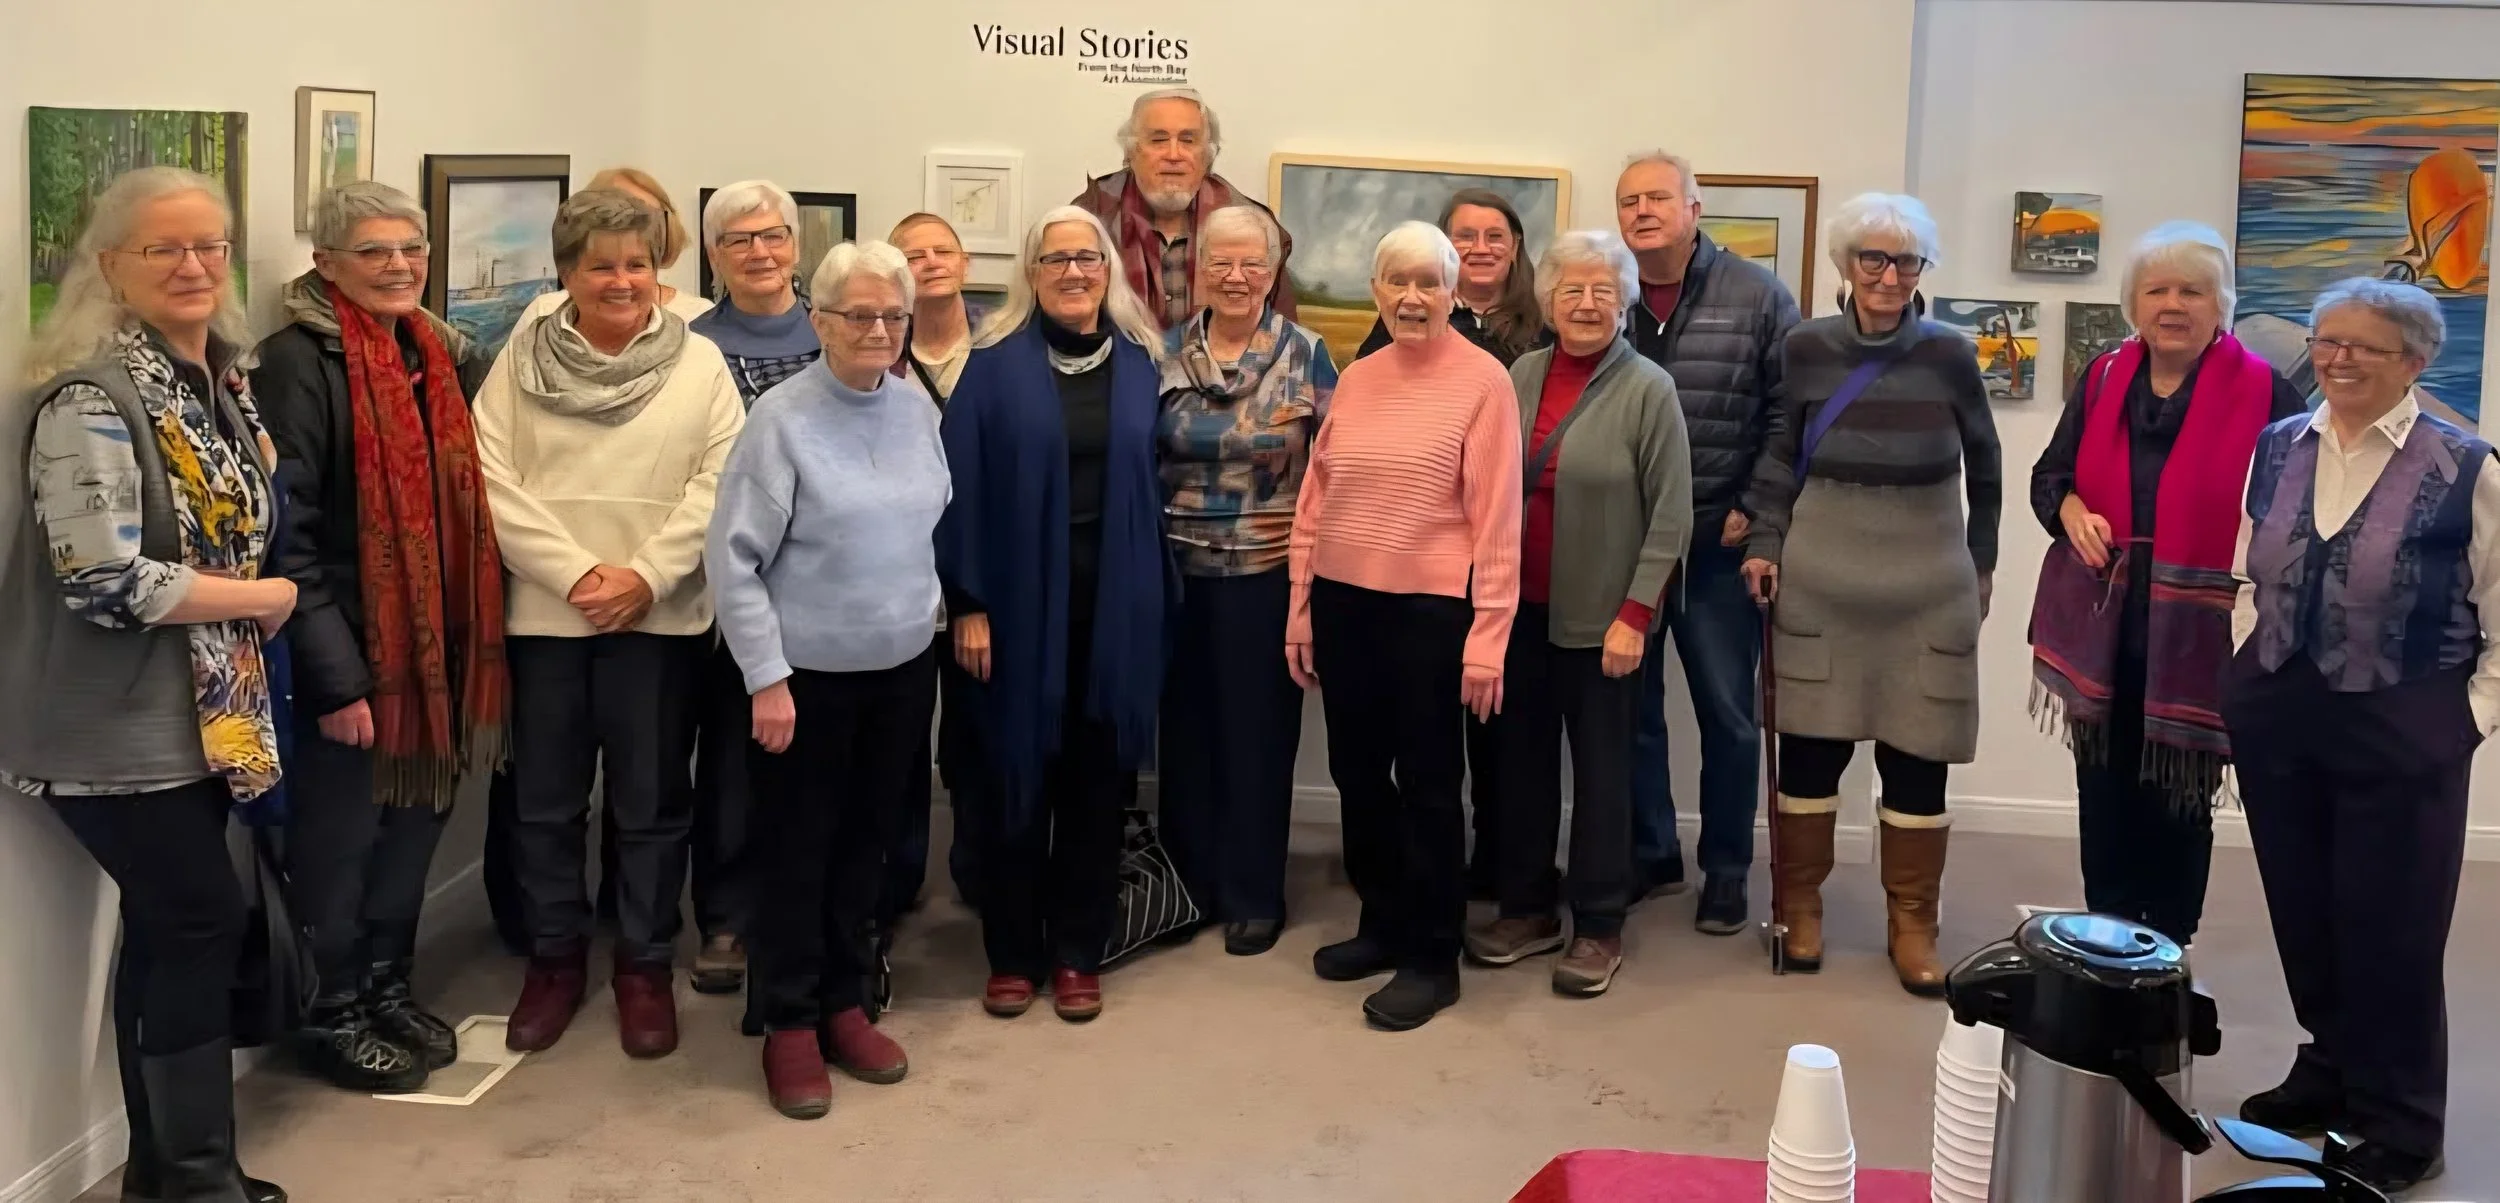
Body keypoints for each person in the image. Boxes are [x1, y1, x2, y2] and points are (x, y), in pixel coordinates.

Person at [2, 166, 292, 1203]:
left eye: (210, 244)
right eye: (164, 248)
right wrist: (258, 600)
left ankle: (172, 1178)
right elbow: (103, 579)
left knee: (177, 928)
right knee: (198, 921)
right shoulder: (93, 395)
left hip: (200, 710)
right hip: (110, 719)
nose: (194, 266)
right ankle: (195, 1179)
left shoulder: (217, 376)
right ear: (111, 264)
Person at [2224, 277, 2494, 1193]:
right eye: (2325, 341)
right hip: (2281, 712)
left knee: (2395, 928)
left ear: (2415, 361)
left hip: (2403, 721)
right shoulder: (2277, 445)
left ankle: (2403, 1119)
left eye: (2362, 347)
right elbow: (2247, 570)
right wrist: (2247, 667)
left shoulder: (2467, 466)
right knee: (2304, 908)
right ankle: (2329, 1068)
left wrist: (2465, 719)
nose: (2335, 360)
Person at [475, 189, 745, 1058]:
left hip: (658, 619)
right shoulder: (519, 355)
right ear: (567, 273)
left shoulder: (699, 363)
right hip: (548, 616)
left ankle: (642, 966)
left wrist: (647, 575)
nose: (621, 281)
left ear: (657, 270)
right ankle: (555, 963)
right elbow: (491, 477)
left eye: (636, 264)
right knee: (546, 805)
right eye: (601, 265)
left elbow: (720, 477)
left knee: (653, 806)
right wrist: (577, 574)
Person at [252, 181, 507, 1094]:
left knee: (412, 831)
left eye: (413, 248)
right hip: (357, 661)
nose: (401, 265)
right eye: (376, 251)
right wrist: (339, 680)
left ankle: (387, 987)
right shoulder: (293, 365)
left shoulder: (435, 353)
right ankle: (332, 1013)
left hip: (430, 655)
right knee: (341, 845)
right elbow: (289, 538)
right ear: (324, 263)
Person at [708, 240, 947, 1120]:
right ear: (821, 320)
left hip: (898, 671)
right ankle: (790, 1021)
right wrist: (766, 678)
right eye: (858, 315)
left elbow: (926, 528)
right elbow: (732, 561)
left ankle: (847, 1001)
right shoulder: (781, 419)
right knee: (796, 855)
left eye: (893, 315)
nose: (878, 330)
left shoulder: (913, 406)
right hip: (804, 680)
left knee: (866, 849)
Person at [1740, 193, 2000, 996]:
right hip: (1821, 580)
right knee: (1811, 756)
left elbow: (1987, 468)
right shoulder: (1805, 346)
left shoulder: (1953, 354)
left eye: (1906, 261)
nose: (1889, 276)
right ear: (1846, 266)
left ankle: (1912, 921)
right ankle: (1801, 906)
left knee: (1919, 762)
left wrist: (1981, 566)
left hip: (1928, 585)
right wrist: (1763, 542)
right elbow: (1780, 456)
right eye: (1873, 260)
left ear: (1923, 270)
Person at [2027, 222, 2303, 947]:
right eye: (2157, 289)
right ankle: (2106, 943)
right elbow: (2047, 477)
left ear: (2222, 305)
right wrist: (2073, 510)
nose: (2173, 304)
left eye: (2193, 290)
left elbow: (2294, 509)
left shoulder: (2265, 390)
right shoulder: (2104, 377)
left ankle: (2166, 951)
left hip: (2195, 635)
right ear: (2133, 303)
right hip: (2104, 625)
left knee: (2179, 802)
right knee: (2103, 794)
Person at [938, 206, 1173, 1023]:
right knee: (1012, 782)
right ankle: (1012, 954)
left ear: (1109, 269)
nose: (1074, 272)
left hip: (1112, 613)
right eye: (1055, 260)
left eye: (1087, 257)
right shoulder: (992, 366)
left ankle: (1078, 951)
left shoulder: (1145, 364)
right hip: (1013, 612)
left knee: (1096, 788)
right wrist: (967, 604)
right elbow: (957, 489)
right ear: (1031, 275)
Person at [1287, 221, 1521, 1031]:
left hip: (1431, 612)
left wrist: (1488, 636)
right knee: (1357, 773)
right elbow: (1318, 497)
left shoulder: (1485, 382)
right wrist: (1301, 608)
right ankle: (1381, 921)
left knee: (1426, 785)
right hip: (1345, 600)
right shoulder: (1358, 376)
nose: (1412, 297)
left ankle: (1432, 953)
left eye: (1429, 282)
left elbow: (1497, 522)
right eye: (1397, 281)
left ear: (1455, 293)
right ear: (1377, 292)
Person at [1464, 231, 1689, 997]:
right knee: (1519, 768)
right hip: (1515, 610)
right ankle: (1527, 908)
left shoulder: (1649, 388)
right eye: (1572, 290)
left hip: (1604, 619)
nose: (1587, 304)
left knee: (1602, 775)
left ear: (1625, 301)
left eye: (1603, 290)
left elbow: (1671, 515)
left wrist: (1636, 613)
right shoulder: (1520, 373)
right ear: (1550, 300)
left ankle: (1597, 923)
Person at [1613, 151, 1801, 932]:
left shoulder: (1757, 294)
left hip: (1719, 541)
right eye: (1629, 200)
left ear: (1695, 208)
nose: (1643, 211)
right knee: (1632, 711)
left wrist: (1756, 508)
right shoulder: (1607, 292)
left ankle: (1725, 867)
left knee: (1727, 713)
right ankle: (1650, 850)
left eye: (1659, 196)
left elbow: (1793, 414)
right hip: (1626, 540)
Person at [1350, 190, 1550, 899]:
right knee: (1401, 758)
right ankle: (1412, 901)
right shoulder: (1376, 354)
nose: (1480, 245)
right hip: (1397, 584)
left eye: (1495, 234)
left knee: (1492, 744)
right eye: (1464, 234)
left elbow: (1500, 491)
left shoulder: (1534, 336)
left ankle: (1496, 884)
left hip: (1490, 570)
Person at [1155, 204, 1338, 957]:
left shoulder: (1308, 354)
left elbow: (1331, 473)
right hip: (1174, 573)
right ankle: (1188, 887)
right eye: (1220, 262)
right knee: (1185, 736)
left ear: (1272, 272)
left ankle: (1255, 893)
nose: (1235, 276)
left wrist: (1314, 588)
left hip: (1267, 574)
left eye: (1251, 264)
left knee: (1259, 739)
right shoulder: (1160, 350)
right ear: (1199, 268)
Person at [678, 180, 816, 998]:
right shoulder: (693, 347)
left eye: (773, 236)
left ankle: (814, 907)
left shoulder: (837, 324)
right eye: (739, 241)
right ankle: (725, 917)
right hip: (733, 580)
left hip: (827, 579)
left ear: (797, 244)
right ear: (715, 255)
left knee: (819, 762)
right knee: (732, 761)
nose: (760, 253)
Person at [885, 210, 987, 922]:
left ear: (966, 261)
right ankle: (897, 877)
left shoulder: (1005, 343)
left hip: (981, 575)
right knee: (897, 741)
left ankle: (980, 870)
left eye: (940, 249)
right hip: (900, 578)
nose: (929, 262)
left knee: (977, 738)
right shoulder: (876, 347)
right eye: (912, 254)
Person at [1072, 87, 1293, 329]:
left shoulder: (1254, 229)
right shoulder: (1089, 220)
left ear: (1207, 155)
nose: (1174, 154)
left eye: (1188, 141)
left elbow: (1280, 340)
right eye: (1158, 140)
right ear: (1132, 152)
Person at [1356, 188, 1550, 365]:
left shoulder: (1542, 322)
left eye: (1494, 237)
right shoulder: (1411, 312)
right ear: (1443, 246)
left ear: (1515, 246)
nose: (1481, 249)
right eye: (1466, 236)